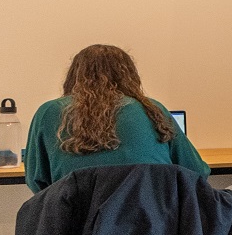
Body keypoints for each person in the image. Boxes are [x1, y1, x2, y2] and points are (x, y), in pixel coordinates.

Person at [23, 44, 209, 193]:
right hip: (151, 224)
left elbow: (36, 182)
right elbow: (197, 172)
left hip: (76, 225)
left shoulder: (50, 112)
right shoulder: (152, 110)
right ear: (130, 76)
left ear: (74, 76)